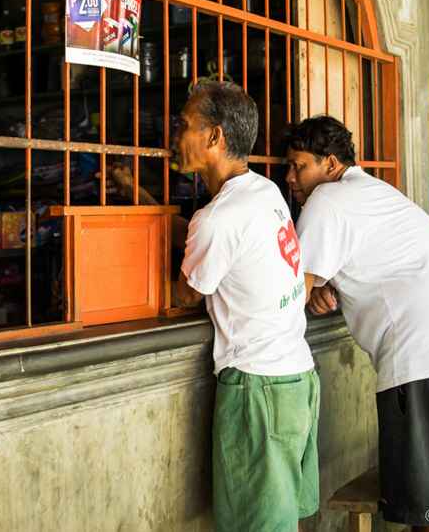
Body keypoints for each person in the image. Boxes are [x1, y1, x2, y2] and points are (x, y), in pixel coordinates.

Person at [284, 115, 429, 532]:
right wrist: (323, 287)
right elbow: (345, 268)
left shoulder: (326, 200)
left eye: (299, 165)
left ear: (330, 165)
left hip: (427, 363)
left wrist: (307, 288)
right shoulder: (372, 191)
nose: (291, 177)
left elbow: (290, 291)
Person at [124, 80, 319, 531]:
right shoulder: (265, 193)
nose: (175, 135)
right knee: (282, 516)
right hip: (297, 378)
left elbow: (186, 293)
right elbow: (208, 242)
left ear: (214, 137)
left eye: (185, 125)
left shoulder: (218, 218)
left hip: (257, 389)